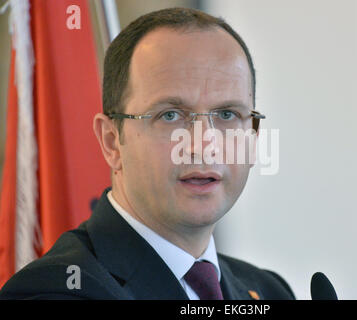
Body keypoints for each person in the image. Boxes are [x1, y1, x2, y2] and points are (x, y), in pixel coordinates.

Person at [0, 7, 295, 300]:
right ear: (112, 141)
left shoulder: (269, 291)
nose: (205, 145)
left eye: (227, 114)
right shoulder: (55, 291)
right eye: (170, 115)